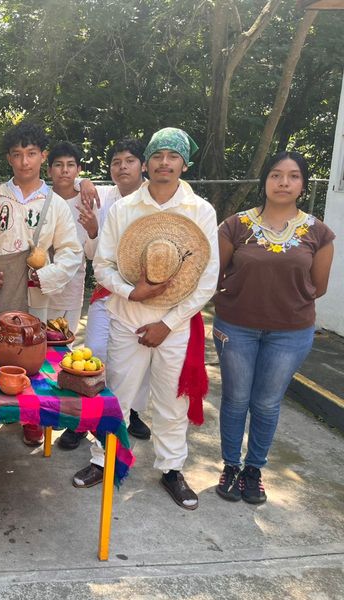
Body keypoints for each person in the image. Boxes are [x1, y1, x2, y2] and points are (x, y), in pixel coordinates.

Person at [73, 127, 219, 512]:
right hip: (126, 318)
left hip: (175, 324)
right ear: (147, 164)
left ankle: (172, 468)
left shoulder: (200, 211)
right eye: (157, 156)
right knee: (117, 395)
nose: (164, 163)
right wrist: (130, 292)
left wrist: (167, 324)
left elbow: (206, 280)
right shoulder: (123, 209)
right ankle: (103, 460)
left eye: (172, 156)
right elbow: (102, 266)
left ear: (184, 164)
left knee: (171, 403)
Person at [213, 151, 334, 504]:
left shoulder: (318, 232)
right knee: (236, 399)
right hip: (236, 328)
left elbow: (319, 286)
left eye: (293, 176)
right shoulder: (235, 225)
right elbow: (216, 276)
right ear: (264, 181)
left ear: (302, 184)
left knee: (266, 403)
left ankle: (254, 470)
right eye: (276, 175)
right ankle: (231, 465)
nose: (284, 182)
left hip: (291, 332)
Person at [0, 121, 82, 446]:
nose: (25, 162)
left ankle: (32, 419)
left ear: (43, 156)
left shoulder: (54, 204)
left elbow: (72, 251)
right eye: (17, 155)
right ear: (9, 158)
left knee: (32, 358)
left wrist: (47, 276)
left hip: (33, 292)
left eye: (31, 154)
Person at [60, 139, 152, 449]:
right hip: (107, 289)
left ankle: (133, 412)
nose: (122, 167)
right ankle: (84, 417)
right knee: (95, 350)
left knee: (139, 359)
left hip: (147, 294)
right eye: (116, 162)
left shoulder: (156, 199)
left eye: (129, 160)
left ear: (143, 165)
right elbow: (93, 254)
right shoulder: (101, 195)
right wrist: (93, 230)